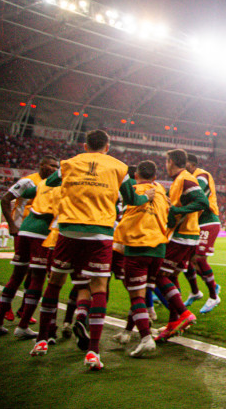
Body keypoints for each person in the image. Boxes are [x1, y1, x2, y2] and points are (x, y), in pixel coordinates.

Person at [30, 130, 154, 371]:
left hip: (69, 231)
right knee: (98, 288)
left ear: (85, 146)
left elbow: (51, 181)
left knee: (55, 283)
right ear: (107, 147)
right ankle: (93, 352)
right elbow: (131, 199)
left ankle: (42, 340)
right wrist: (146, 197)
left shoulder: (69, 163)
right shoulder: (119, 167)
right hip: (100, 233)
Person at [0, 155, 58, 336]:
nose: (54, 169)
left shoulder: (45, 185)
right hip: (32, 232)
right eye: (51, 165)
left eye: (56, 167)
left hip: (28, 230)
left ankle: (16, 313)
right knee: (35, 275)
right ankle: (22, 324)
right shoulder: (30, 182)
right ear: (41, 165)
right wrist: (12, 225)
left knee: (24, 274)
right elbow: (5, 199)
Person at [109, 160, 170, 357]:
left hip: (137, 246)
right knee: (141, 295)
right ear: (155, 177)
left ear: (136, 175)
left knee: (136, 296)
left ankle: (145, 338)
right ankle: (127, 332)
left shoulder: (132, 191)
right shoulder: (160, 190)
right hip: (158, 248)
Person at [153, 148, 208, 342]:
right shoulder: (179, 180)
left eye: (166, 161)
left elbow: (202, 202)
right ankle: (173, 322)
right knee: (172, 276)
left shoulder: (185, 179)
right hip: (185, 235)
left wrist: (177, 210)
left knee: (158, 275)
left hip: (182, 236)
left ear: (172, 161)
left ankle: (184, 314)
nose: (165, 165)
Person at [182, 154, 221, 314]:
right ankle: (198, 291)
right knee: (188, 260)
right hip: (197, 223)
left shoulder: (201, 175)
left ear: (191, 164)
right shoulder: (189, 178)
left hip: (208, 221)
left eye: (184, 164)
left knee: (198, 258)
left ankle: (213, 296)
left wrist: (179, 208)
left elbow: (199, 197)